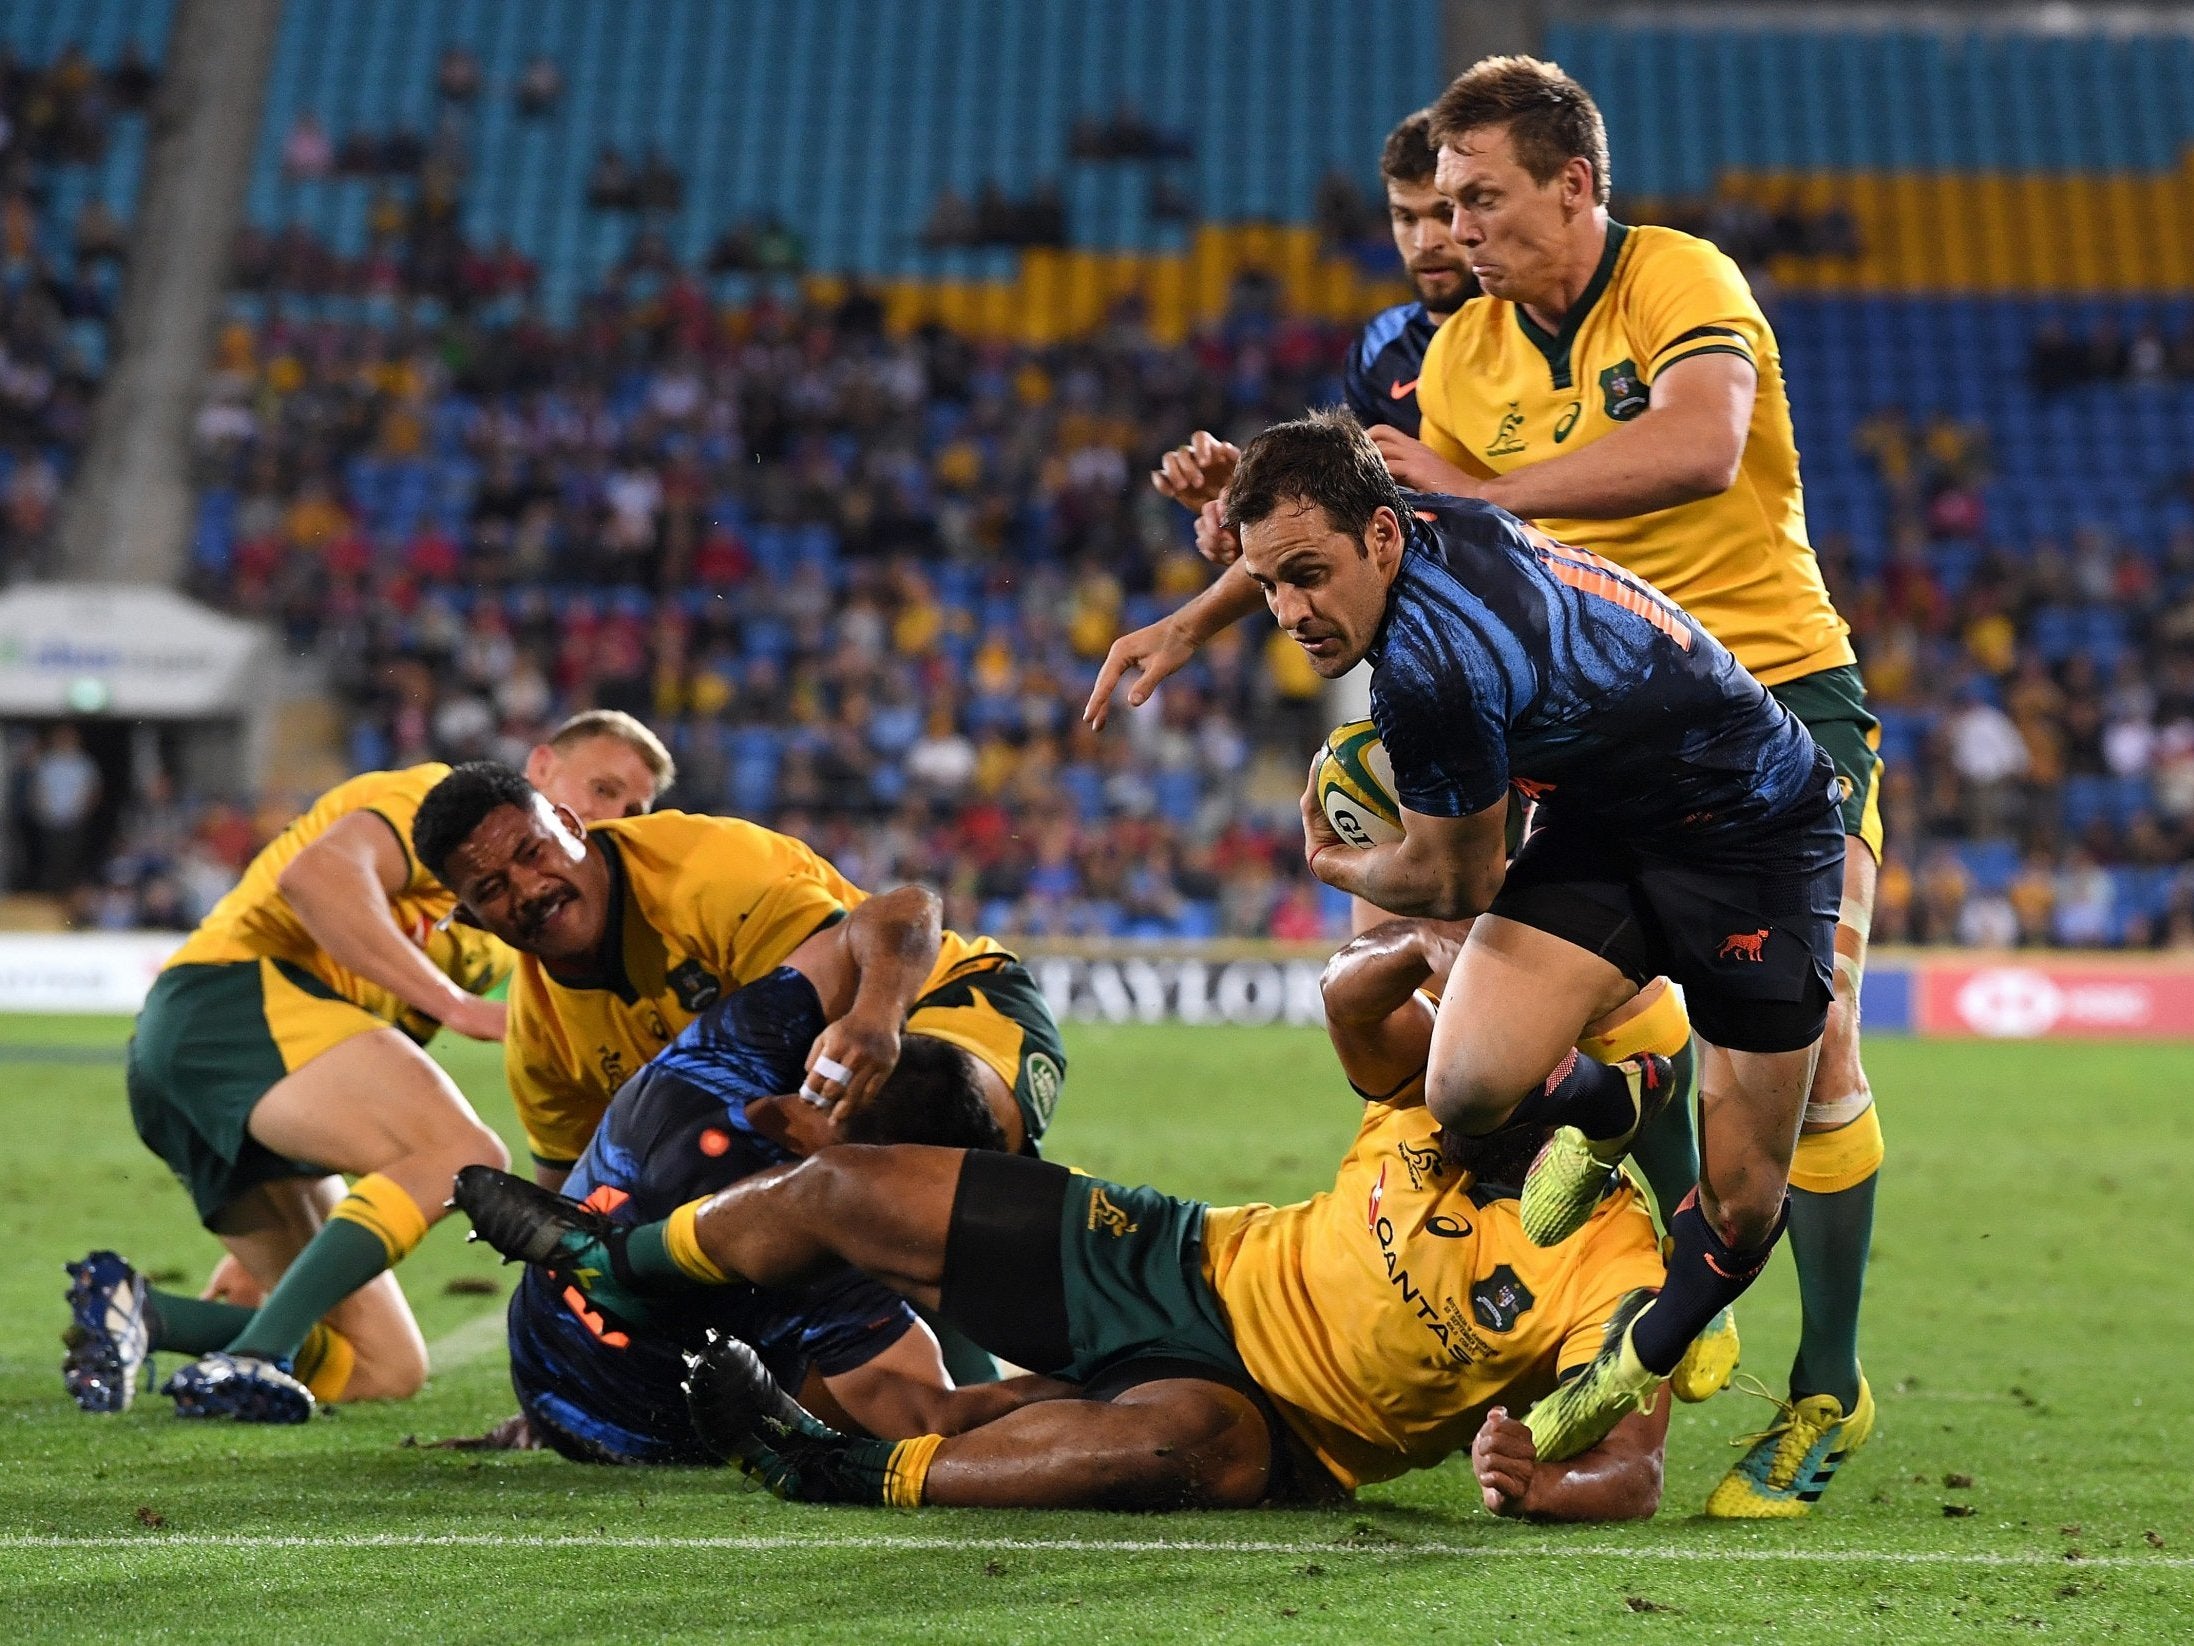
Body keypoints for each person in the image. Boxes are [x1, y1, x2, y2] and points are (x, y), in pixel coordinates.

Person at [1086, 412, 1844, 1466]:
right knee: (1466, 1087)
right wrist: (1193, 619)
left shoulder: (1429, 670)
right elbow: (1301, 514)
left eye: (1309, 575)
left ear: (1384, 539)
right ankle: (1612, 1097)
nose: (1291, 612)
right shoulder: (1419, 521)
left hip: (1755, 836)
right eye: (1268, 587)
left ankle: (1635, 1357)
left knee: (1744, 1196)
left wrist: (1335, 862)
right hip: (1606, 822)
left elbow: (1455, 879)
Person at [1355, 56, 1885, 1515]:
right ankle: (1630, 1128)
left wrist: (1481, 492)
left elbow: (1704, 445)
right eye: (1440, 204)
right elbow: (1417, 549)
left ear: (1573, 186)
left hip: (1784, 710)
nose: (1453, 231)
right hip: (1610, 741)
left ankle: (1824, 1386)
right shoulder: (1461, 358)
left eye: (1480, 199)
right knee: (1497, 1047)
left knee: (1813, 1057)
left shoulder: (1673, 275)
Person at [457, 916, 1673, 1517]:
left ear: (1579, 1092)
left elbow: (1633, 1460)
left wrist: (1549, 1483)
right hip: (1176, 1260)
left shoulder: (1616, 1249)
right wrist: (1445, 944)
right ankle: (613, 1257)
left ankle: (839, 1463)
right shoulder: (1431, 1080)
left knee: (1159, 1441)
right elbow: (1352, 994)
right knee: (843, 1184)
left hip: (1286, 1426)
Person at [63, 723, 674, 1423]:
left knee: (385, 1366)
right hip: (233, 1002)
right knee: (464, 1154)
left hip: (250, 1072)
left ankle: (144, 1313)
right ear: (542, 766)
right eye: (602, 788)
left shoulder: (515, 928)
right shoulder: (438, 801)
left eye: (632, 810)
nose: (610, 816)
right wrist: (456, 1006)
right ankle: (258, 1356)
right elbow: (316, 877)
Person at [409, 762, 1067, 1187]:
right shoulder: (542, 1039)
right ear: (469, 918)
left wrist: (874, 1018)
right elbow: (574, 1201)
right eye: (493, 887)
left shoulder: (705, 870)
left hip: (947, 1008)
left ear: (574, 825)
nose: (528, 888)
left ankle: (1095, 1258)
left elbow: (889, 927)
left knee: (889, 1111)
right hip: (806, 1110)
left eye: (533, 851)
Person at [500, 958, 1017, 1465]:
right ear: (884, 1168)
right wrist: (1083, 1391)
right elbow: (931, 1422)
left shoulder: (725, 1051)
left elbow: (901, 908)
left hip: (537, 1358)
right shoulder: (821, 1255)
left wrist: (874, 1016)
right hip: (635, 1433)